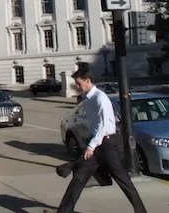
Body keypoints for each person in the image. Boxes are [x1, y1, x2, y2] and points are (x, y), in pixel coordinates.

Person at [45, 68, 147, 213]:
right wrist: (91, 143)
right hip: (96, 143)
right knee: (78, 179)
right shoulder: (88, 99)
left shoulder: (101, 98)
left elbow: (103, 126)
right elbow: (95, 125)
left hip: (107, 144)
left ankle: (141, 211)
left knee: (123, 180)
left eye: (79, 83)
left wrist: (91, 146)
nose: (77, 87)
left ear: (88, 81)